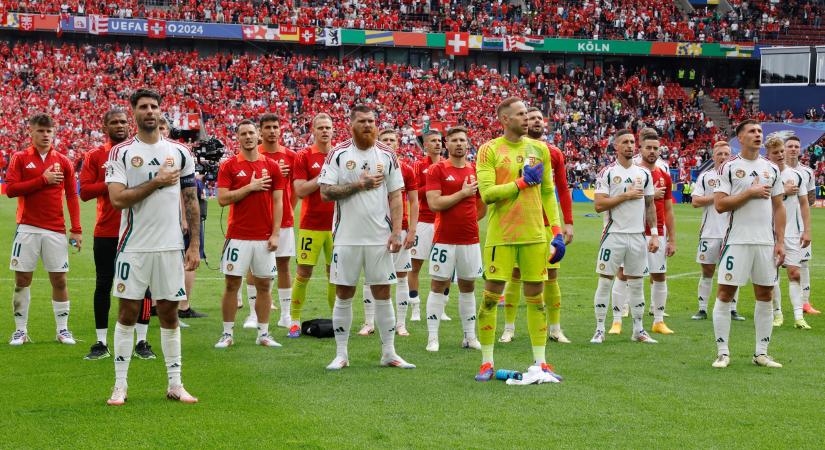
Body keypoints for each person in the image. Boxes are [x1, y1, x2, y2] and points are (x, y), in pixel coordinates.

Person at [105, 88, 201, 405]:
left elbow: (191, 200)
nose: (150, 111)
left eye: (155, 106)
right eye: (144, 106)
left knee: (170, 313)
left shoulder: (179, 152)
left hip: (171, 247)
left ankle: (175, 383)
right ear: (133, 112)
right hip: (133, 247)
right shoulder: (120, 153)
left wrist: (193, 245)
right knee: (127, 312)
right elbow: (118, 199)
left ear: (161, 112)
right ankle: (120, 385)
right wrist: (156, 182)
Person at [474, 97, 566, 382]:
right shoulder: (489, 150)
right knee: (490, 300)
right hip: (501, 235)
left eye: (528, 113)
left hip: (535, 236)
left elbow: (549, 193)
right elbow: (487, 194)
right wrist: (521, 183)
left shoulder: (540, 149)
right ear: (504, 119)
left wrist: (557, 231)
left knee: (536, 300)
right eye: (521, 114)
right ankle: (486, 363)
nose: (527, 118)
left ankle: (541, 362)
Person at [318, 105, 414, 370]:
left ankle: (389, 353)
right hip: (346, 237)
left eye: (372, 121)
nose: (368, 125)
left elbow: (396, 195)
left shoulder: (387, 154)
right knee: (344, 293)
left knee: (383, 293)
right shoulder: (338, 154)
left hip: (379, 238)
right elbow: (325, 192)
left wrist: (397, 231)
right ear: (351, 125)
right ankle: (341, 354)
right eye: (362, 121)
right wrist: (358, 185)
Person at [80, 109, 155, 359]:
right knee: (104, 283)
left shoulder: (142, 152)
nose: (120, 125)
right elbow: (85, 191)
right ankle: (101, 342)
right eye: (114, 122)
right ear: (105, 127)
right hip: (107, 230)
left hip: (138, 230)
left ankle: (142, 342)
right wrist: (115, 183)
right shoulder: (95, 155)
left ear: (129, 124)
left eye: (123, 121)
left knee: (143, 287)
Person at [711, 120, 786, 369]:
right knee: (725, 294)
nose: (757, 135)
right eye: (752, 131)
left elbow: (778, 206)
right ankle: (723, 352)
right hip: (737, 242)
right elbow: (720, 205)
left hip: (765, 243)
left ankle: (761, 353)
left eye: (759, 131)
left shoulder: (771, 169)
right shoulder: (728, 168)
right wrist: (749, 193)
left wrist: (780, 242)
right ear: (740, 138)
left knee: (765, 295)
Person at [6, 113, 82, 346]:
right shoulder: (19, 158)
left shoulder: (64, 161)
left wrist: (76, 228)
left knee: (59, 280)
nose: (46, 135)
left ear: (54, 132)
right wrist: (43, 179)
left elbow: (71, 195)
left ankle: (62, 330)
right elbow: (10, 189)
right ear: (31, 131)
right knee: (22, 279)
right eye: (41, 131)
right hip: (27, 227)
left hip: (56, 230)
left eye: (49, 131)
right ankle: (20, 331)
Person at [499, 107, 574, 344]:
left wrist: (567, 223)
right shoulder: (509, 149)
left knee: (552, 275)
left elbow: (561, 188)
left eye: (540, 118)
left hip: (544, 225)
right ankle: (509, 328)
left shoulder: (552, 152)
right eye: (531, 118)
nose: (536, 121)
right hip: (518, 222)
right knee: (515, 275)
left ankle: (555, 328)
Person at [213, 119, 284, 348]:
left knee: (264, 286)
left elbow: (278, 201)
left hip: (264, 238)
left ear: (258, 136)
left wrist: (275, 234)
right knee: (232, 285)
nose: (248, 137)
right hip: (237, 237)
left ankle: (263, 333)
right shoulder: (229, 166)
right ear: (238, 138)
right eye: (243, 133)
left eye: (251, 133)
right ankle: (227, 334)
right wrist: (249, 188)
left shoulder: (272, 166)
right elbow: (223, 199)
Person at [590, 128, 659, 345]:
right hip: (613, 235)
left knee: (637, 283)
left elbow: (650, 205)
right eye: (625, 142)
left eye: (632, 142)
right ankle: (600, 328)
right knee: (605, 282)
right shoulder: (607, 172)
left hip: (638, 236)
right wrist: (625, 196)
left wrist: (654, 234)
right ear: (616, 147)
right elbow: (599, 205)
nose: (630, 145)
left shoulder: (644, 174)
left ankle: (638, 330)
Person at [608, 129, 676, 335]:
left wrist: (671, 238)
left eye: (656, 148)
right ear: (641, 148)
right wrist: (649, 194)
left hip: (657, 231)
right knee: (623, 274)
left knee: (659, 274)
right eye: (648, 148)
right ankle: (617, 321)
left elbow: (669, 209)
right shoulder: (632, 172)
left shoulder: (664, 175)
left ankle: (658, 320)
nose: (653, 151)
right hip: (633, 231)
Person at [424, 126, 486, 352]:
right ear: (446, 144)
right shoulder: (437, 170)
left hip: (470, 239)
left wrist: (467, 220)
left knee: (468, 286)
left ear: (468, 144)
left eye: (462, 140)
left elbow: (482, 207)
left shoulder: (476, 170)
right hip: (444, 239)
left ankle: (469, 337)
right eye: (454, 140)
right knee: (438, 285)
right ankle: (432, 337)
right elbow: (434, 204)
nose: (459, 143)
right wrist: (462, 193)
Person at [360, 128, 418, 337]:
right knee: (371, 277)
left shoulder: (407, 169)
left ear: (398, 144)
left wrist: (412, 230)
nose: (389, 143)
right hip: (373, 229)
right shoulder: (368, 168)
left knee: (401, 277)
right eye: (384, 139)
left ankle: (400, 324)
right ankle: (369, 322)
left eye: (392, 140)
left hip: (399, 228)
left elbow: (413, 201)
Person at [243, 113, 297, 329]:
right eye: (268, 127)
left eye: (276, 126)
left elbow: (297, 189)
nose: (272, 131)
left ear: (280, 130)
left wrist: (289, 208)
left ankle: (285, 315)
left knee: (283, 265)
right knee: (253, 267)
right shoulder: (253, 154)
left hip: (283, 221)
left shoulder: (291, 156)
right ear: (260, 132)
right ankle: (253, 315)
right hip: (257, 220)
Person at [288, 113, 337, 337]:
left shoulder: (341, 155)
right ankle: (294, 319)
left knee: (335, 273)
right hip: (311, 225)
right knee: (304, 272)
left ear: (333, 130)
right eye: (321, 127)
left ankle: (338, 319)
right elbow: (299, 190)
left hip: (338, 226)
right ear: (313, 130)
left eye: (328, 127)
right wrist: (321, 177)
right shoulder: (304, 156)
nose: (325, 131)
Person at [691, 142, 745, 321]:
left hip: (733, 231)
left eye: (726, 154)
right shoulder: (706, 177)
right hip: (709, 231)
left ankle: (732, 309)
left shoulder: (737, 176)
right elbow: (696, 201)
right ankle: (702, 308)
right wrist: (717, 197)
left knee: (733, 271)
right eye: (719, 153)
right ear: (713, 156)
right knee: (707, 271)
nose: (723, 157)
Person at [765, 137, 811, 329]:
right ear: (768, 155)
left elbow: (804, 203)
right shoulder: (764, 174)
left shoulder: (797, 175)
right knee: (771, 276)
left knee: (794, 273)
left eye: (782, 151)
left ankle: (799, 317)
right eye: (776, 152)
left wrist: (807, 230)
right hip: (768, 232)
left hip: (792, 233)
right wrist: (782, 192)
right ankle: (777, 314)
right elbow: (759, 202)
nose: (781, 155)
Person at [408, 131, 446, 322]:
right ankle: (415, 308)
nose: (437, 144)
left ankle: (441, 309)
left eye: (439, 141)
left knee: (444, 267)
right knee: (415, 266)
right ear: (425, 146)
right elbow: (413, 193)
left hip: (444, 222)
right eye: (433, 141)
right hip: (423, 221)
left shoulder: (448, 165)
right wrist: (435, 186)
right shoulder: (418, 166)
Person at [784, 136, 820, 315]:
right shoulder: (774, 169)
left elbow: (811, 199)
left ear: (801, 150)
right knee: (773, 265)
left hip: (799, 226)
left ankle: (805, 303)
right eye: (789, 146)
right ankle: (773, 308)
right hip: (778, 224)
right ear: (784, 148)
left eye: (796, 146)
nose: (793, 149)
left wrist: (799, 199)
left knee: (803, 263)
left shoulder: (807, 172)